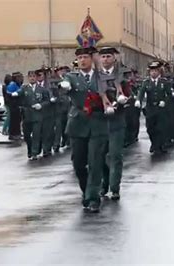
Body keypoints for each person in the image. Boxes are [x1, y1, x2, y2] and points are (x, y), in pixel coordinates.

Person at [60, 46, 108, 213]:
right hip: (78, 124)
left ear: (92, 59)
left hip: (97, 123)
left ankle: (93, 197)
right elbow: (64, 86)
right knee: (78, 163)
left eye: (85, 57)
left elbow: (110, 93)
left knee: (95, 162)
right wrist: (64, 86)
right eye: (79, 58)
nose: (82, 61)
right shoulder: (71, 77)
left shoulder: (101, 77)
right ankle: (85, 190)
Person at [97, 47, 127, 200]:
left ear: (114, 59)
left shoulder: (121, 76)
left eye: (109, 56)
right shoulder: (95, 77)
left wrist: (122, 101)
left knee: (115, 156)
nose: (106, 59)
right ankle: (104, 184)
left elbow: (130, 94)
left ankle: (115, 188)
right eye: (103, 56)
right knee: (100, 156)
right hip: (100, 123)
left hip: (116, 122)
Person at [135, 61, 172, 154]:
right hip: (150, 108)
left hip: (161, 109)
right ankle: (154, 143)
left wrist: (164, 101)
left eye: (155, 71)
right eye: (152, 71)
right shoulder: (146, 82)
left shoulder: (164, 82)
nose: (153, 73)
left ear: (159, 71)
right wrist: (138, 100)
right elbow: (141, 92)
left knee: (161, 128)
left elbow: (170, 95)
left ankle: (160, 145)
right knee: (150, 128)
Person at [19, 70, 50, 160]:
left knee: (36, 134)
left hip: (37, 115)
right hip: (27, 115)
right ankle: (30, 150)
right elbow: (19, 99)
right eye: (30, 76)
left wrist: (41, 105)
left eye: (34, 76)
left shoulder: (42, 89)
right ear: (28, 78)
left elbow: (47, 101)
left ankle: (34, 152)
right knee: (27, 135)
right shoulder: (24, 88)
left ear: (36, 78)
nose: (32, 78)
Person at [7, 72, 23, 140]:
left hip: (17, 104)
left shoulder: (18, 84)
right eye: (19, 77)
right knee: (14, 120)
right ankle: (13, 134)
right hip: (13, 105)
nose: (21, 79)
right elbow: (9, 94)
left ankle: (17, 133)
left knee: (18, 120)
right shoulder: (12, 84)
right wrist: (15, 94)